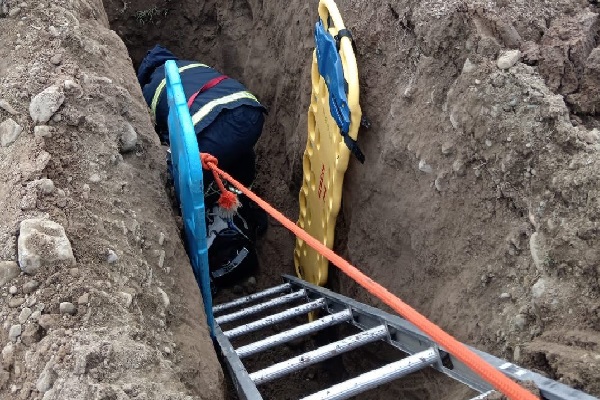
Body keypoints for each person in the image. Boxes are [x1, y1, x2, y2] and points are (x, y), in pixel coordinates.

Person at [137, 45, 267, 289]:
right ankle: (247, 210)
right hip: (251, 114)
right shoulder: (190, 65)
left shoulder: (149, 90)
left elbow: (166, 140)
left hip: (210, 129)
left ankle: (211, 238)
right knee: (238, 154)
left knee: (187, 182)